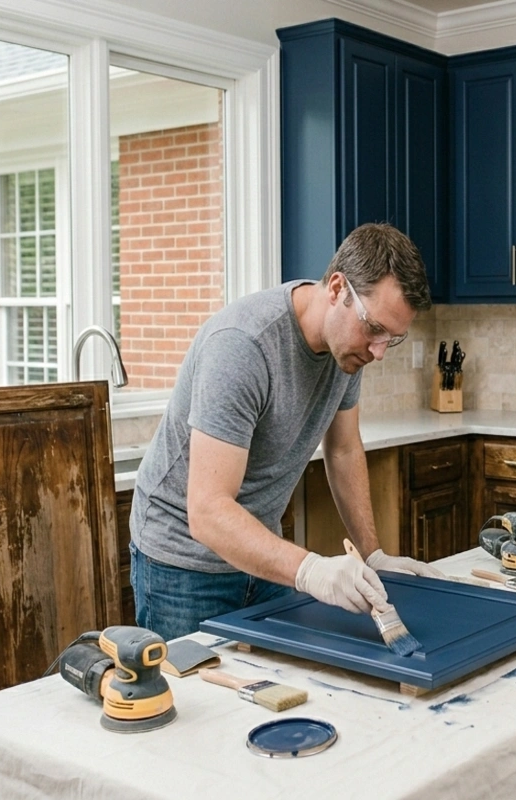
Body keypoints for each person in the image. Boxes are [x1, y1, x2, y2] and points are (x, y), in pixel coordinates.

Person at [129, 223, 445, 641]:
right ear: (336, 289)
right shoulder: (243, 347)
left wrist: (374, 554)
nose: (379, 351)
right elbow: (206, 511)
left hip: (263, 552)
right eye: (374, 328)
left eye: (393, 337)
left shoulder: (348, 350)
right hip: (184, 565)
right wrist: (310, 569)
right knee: (202, 704)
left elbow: (344, 450)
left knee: (271, 692)